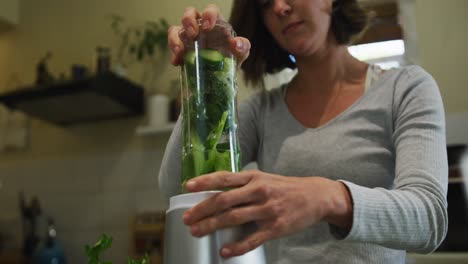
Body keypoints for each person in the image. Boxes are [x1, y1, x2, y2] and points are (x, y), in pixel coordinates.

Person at [160, 0, 448, 263]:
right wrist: (207, 72)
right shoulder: (262, 111)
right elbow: (177, 187)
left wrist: (328, 197)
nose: (280, 8)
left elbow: (429, 217)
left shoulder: (405, 88)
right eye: (264, 3)